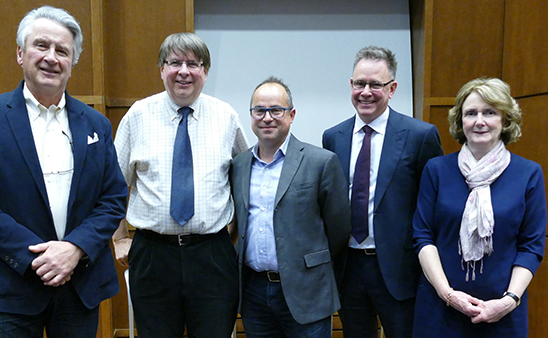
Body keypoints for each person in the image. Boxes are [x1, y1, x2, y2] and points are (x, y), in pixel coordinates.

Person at [0, 6, 128, 338]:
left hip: (80, 285)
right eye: (41, 45)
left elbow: (113, 199)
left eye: (62, 50)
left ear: (72, 62)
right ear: (20, 54)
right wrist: (37, 256)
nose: (51, 57)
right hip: (12, 287)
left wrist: (74, 248)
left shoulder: (96, 125)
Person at [112, 32, 248, 338]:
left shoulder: (226, 117)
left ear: (205, 71)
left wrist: (234, 235)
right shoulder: (138, 116)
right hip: (153, 254)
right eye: (175, 62)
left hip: (212, 254)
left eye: (193, 63)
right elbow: (112, 184)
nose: (183, 71)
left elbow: (247, 178)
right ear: (161, 69)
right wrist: (120, 237)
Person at [322, 45, 444, 338]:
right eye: (359, 83)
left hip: (399, 269)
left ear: (392, 88)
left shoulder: (420, 135)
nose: (366, 91)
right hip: (348, 266)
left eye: (376, 84)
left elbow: (434, 206)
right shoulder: (333, 137)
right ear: (351, 85)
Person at [412, 77, 546, 337]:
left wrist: (508, 301)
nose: (479, 121)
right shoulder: (437, 170)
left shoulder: (528, 173)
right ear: (460, 120)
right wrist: (449, 295)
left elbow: (531, 246)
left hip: (502, 312)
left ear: (505, 120)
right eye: (471, 113)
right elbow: (423, 236)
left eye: (490, 112)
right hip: (440, 308)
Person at [231, 77, 350, 337]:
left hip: (307, 290)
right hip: (253, 292)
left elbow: (338, 229)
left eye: (276, 110)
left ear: (292, 114)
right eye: (259, 111)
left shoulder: (321, 162)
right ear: (251, 115)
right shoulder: (239, 165)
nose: (267, 118)